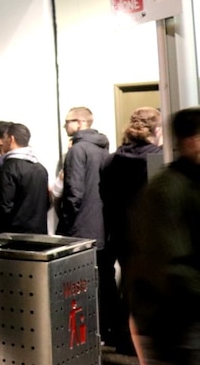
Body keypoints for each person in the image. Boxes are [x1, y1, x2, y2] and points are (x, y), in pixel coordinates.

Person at [128, 107, 200, 365]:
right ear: (191, 141)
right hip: (175, 319)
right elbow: (171, 265)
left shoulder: (183, 182)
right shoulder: (167, 189)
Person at [100, 107, 162, 354]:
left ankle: (125, 339)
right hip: (149, 235)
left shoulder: (112, 159)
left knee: (128, 285)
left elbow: (105, 196)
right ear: (156, 130)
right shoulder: (157, 158)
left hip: (120, 233)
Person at [57, 107, 110, 341]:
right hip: (102, 227)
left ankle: (86, 334)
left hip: (81, 229)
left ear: (79, 122)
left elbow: (74, 193)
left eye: (67, 122)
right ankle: (106, 330)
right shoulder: (103, 148)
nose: (64, 126)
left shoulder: (77, 150)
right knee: (104, 283)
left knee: (81, 286)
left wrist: (65, 224)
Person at [0, 122, 49, 234]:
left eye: (4, 138)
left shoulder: (9, 168)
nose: (1, 142)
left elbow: (4, 206)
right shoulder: (40, 168)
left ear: (11, 139)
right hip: (40, 231)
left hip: (16, 235)